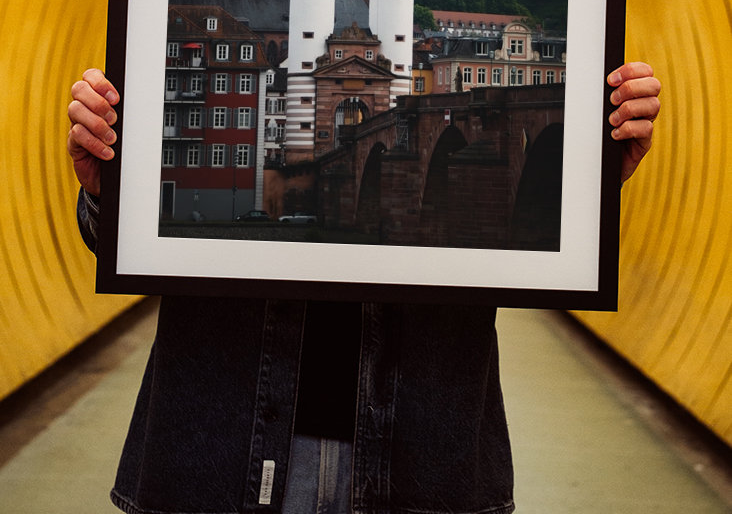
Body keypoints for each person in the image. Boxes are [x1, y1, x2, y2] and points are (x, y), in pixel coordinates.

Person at [68, 62, 661, 514]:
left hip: (422, 454)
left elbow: (516, 232)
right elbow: (123, 246)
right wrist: (109, 192)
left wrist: (584, 187)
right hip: (221, 446)